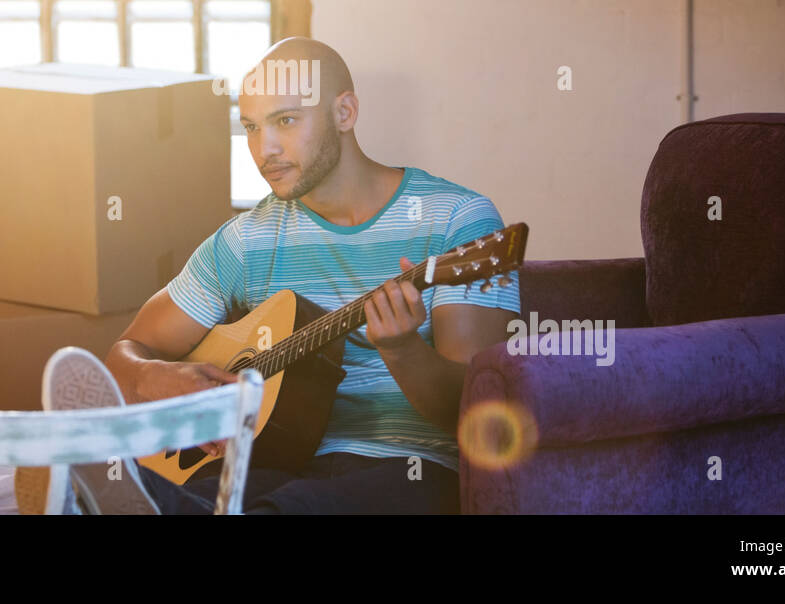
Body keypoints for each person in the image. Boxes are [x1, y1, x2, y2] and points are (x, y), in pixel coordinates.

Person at [83, 37, 520, 513]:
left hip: (406, 468)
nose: (264, 149)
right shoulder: (245, 241)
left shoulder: (457, 220)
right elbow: (123, 354)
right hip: (270, 461)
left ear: (345, 113)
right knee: (180, 494)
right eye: (250, 127)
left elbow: (475, 409)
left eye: (285, 121)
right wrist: (156, 378)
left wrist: (402, 350)